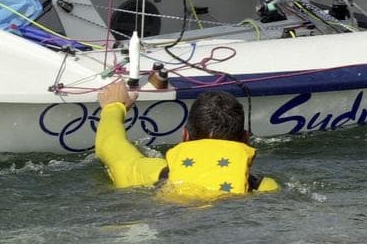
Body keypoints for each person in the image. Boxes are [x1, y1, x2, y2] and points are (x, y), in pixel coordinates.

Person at [95, 79, 279, 200]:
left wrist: (114, 107)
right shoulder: (264, 188)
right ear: (245, 139)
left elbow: (109, 145)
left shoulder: (152, 174)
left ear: (185, 136)